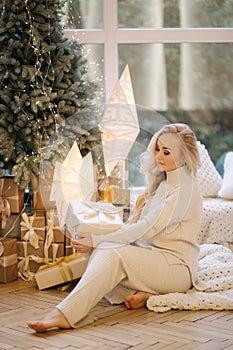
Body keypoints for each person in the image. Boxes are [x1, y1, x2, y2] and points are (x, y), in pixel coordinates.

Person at [28, 123, 203, 332]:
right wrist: (96, 239)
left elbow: (146, 227)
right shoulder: (166, 184)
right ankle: (148, 295)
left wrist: (98, 240)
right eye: (157, 149)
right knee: (102, 248)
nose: (159, 156)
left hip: (176, 268)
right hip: (154, 259)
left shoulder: (186, 190)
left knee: (111, 253)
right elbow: (136, 227)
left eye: (167, 152)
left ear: (185, 156)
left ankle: (65, 314)